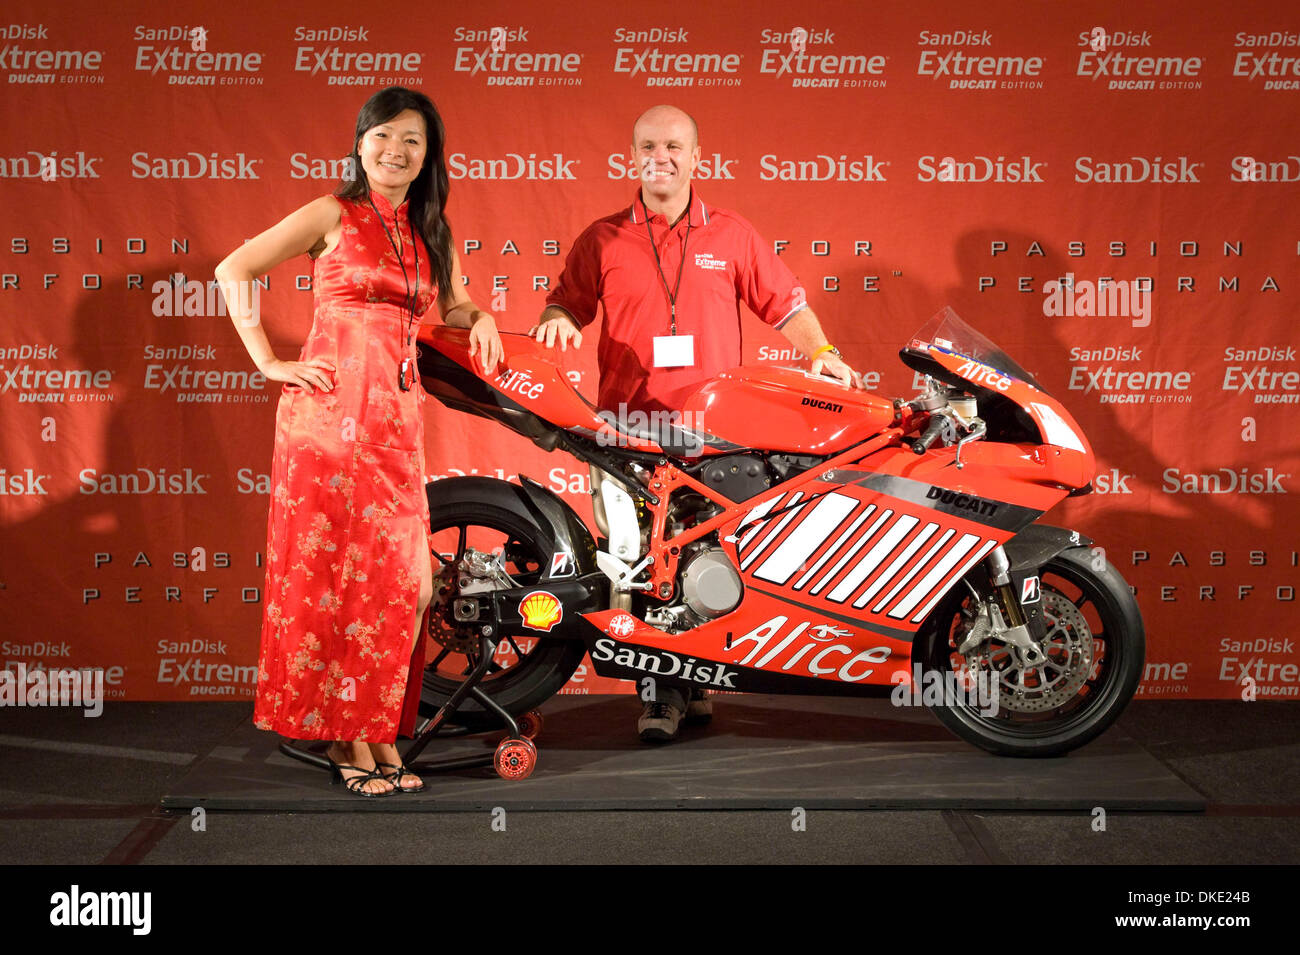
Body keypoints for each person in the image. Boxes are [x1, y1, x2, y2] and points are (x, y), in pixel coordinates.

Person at [532, 104, 860, 741]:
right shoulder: (601, 238)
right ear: (632, 155)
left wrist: (823, 352)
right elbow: (566, 306)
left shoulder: (732, 234)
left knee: (707, 558)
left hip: (715, 433)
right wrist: (557, 324)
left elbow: (787, 305)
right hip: (627, 429)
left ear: (697, 156)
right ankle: (661, 697)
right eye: (650, 145)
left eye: (675, 146)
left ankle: (701, 681)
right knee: (643, 564)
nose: (663, 156)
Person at [216, 87, 502, 795]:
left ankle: (375, 728)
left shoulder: (432, 228)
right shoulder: (331, 214)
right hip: (328, 423)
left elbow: (455, 302)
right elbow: (235, 268)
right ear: (360, 141)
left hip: (397, 424)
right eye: (381, 136)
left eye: (410, 140)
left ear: (428, 153)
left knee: (407, 584)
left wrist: (480, 312)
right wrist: (266, 359)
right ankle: (355, 740)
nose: (394, 151)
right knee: (340, 586)